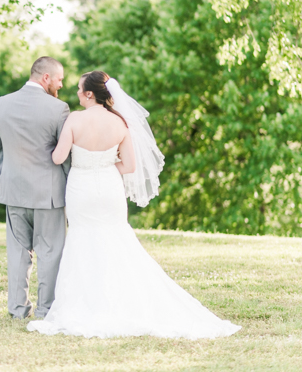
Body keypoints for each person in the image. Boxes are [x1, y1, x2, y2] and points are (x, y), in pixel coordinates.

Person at [27, 71, 241, 339]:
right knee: (116, 239)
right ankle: (125, 300)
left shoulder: (74, 119)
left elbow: (58, 158)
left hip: (81, 188)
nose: (78, 94)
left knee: (83, 239)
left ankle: (86, 303)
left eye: (80, 90)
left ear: (90, 94)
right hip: (109, 187)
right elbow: (129, 166)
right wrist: (104, 164)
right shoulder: (121, 123)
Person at [0, 56, 70, 319]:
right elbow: (65, 155)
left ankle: (17, 310)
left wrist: (6, 180)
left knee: (18, 252)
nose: (60, 86)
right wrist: (70, 188)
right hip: (49, 195)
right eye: (59, 80)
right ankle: (46, 310)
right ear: (46, 78)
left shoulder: (1, 104)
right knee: (50, 252)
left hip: (13, 191)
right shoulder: (58, 109)